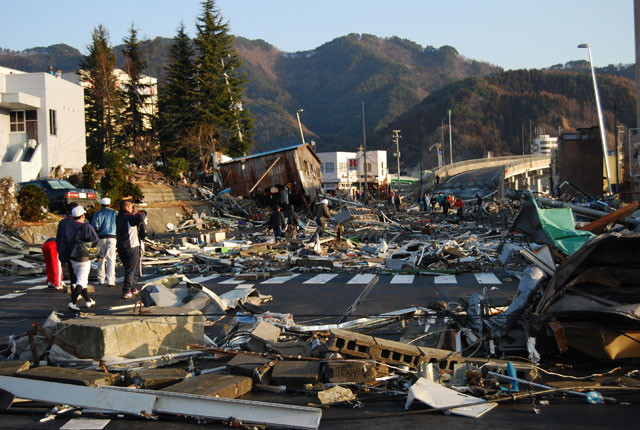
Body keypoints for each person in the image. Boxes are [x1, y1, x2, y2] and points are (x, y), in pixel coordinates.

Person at [59, 206, 99, 311]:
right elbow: (96, 240)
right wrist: (97, 254)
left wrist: (62, 259)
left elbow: (63, 244)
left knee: (81, 279)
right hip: (85, 257)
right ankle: (73, 302)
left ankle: (88, 300)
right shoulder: (87, 227)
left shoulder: (68, 228)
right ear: (83, 215)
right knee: (81, 280)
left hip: (72, 258)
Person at [116, 200, 146, 299]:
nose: (132, 209)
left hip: (121, 247)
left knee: (130, 268)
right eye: (131, 207)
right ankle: (127, 289)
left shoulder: (118, 218)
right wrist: (142, 212)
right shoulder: (129, 218)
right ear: (127, 208)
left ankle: (133, 287)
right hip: (132, 246)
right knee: (130, 269)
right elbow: (140, 218)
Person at [91, 197, 117, 287]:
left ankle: (101, 278)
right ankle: (111, 280)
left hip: (101, 237)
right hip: (112, 237)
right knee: (111, 258)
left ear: (101, 205)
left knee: (101, 258)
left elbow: (95, 226)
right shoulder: (115, 213)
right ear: (110, 204)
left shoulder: (97, 213)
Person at [56, 202, 81, 288]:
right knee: (81, 273)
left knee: (72, 272)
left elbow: (59, 238)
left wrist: (60, 252)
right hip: (80, 250)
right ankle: (79, 290)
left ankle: (74, 289)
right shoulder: (84, 222)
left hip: (68, 250)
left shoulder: (63, 222)